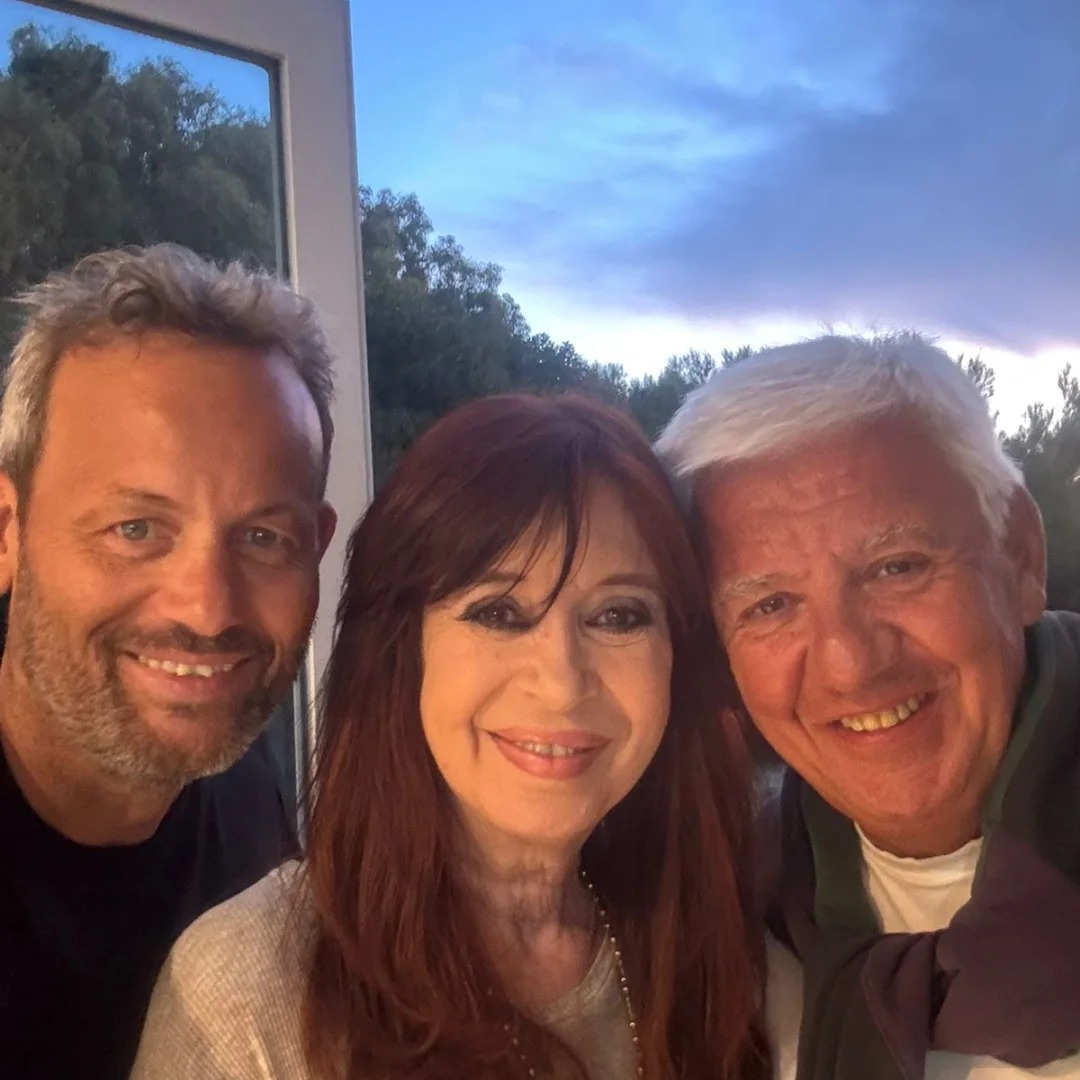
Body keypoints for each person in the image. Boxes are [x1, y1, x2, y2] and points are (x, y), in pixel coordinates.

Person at [130, 393, 772, 1080]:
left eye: (618, 616)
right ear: (400, 653)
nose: (562, 684)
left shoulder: (725, 955)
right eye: (498, 612)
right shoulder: (246, 993)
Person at [657, 331, 1080, 1080]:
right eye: (770, 605)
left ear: (1020, 555)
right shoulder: (727, 918)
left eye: (898, 566)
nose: (850, 663)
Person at [0, 244, 338, 1080]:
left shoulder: (247, 798)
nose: (208, 610)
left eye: (263, 538)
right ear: (8, 530)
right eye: (136, 529)